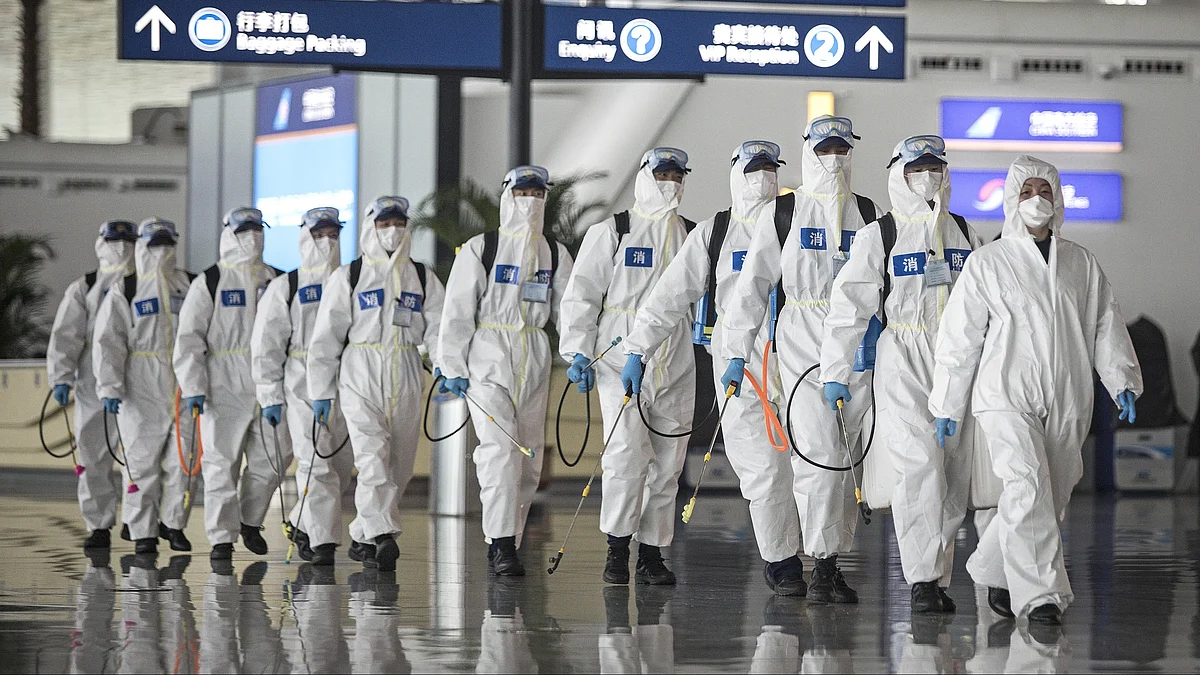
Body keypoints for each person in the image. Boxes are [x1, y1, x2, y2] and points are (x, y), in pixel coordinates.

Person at [929, 155, 1142, 626]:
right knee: (1027, 484)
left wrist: (1121, 379)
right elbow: (960, 336)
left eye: (1044, 191)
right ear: (1011, 200)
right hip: (1005, 392)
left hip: (1069, 394)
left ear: (1059, 199)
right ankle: (1042, 596)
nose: (1036, 200)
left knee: (1052, 491)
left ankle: (996, 571)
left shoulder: (1080, 263)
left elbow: (1105, 323)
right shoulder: (989, 262)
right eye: (1026, 192)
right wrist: (947, 400)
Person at [622, 141, 808, 595]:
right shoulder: (714, 232)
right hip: (738, 363)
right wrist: (637, 348)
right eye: (754, 167)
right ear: (734, 172)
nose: (763, 176)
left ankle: (824, 559)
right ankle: (782, 561)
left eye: (770, 167)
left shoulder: (800, 223)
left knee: (814, 465)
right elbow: (670, 296)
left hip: (801, 353)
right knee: (762, 467)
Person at [820, 135, 984, 613]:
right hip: (903, 357)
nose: (927, 175)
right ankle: (922, 581)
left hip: (956, 361)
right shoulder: (881, 234)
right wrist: (836, 369)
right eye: (917, 167)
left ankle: (936, 576)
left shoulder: (963, 232)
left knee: (952, 473)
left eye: (935, 165)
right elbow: (848, 305)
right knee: (919, 466)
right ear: (898, 173)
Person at [721, 117, 883, 603]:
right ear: (809, 151)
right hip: (801, 341)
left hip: (858, 345)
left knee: (849, 454)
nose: (834, 155)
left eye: (841, 147)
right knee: (818, 453)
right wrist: (735, 352)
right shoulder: (785, 212)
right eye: (824, 146)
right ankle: (820, 564)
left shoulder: (870, 214)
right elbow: (752, 287)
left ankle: (830, 559)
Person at [558, 148, 695, 585]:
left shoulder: (692, 236)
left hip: (675, 357)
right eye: (662, 173)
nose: (670, 180)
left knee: (669, 461)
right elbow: (582, 293)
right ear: (643, 177)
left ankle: (652, 553)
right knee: (624, 455)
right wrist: (578, 351)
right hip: (618, 357)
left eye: (677, 174)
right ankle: (617, 548)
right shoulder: (614, 231)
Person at [438, 166, 575, 576]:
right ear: (508, 195)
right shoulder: (483, 248)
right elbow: (457, 309)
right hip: (488, 360)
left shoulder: (553, 252)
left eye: (537, 191)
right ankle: (500, 545)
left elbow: (570, 308)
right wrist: (452, 364)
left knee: (528, 461)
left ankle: (508, 542)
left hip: (534, 358)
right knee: (499, 451)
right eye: (523, 191)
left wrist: (578, 353)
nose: (531, 198)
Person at [307, 196, 445, 572]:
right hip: (360, 370)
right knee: (371, 456)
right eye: (385, 224)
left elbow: (437, 328)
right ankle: (384, 535)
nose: (393, 230)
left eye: (399, 223)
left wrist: (445, 365)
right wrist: (321, 390)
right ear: (371, 227)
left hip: (405, 368)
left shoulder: (420, 275)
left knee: (399, 463)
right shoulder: (348, 276)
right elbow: (326, 338)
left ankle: (364, 535)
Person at [173, 207, 288, 561]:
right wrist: (193, 386)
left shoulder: (279, 279)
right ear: (228, 233)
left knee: (275, 456)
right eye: (244, 229)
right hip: (223, 379)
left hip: (270, 378)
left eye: (257, 228)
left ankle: (250, 519)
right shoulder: (210, 281)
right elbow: (189, 338)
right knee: (221, 461)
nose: (252, 235)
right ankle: (222, 537)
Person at [252, 207, 354, 567]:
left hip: (346, 382)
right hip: (300, 385)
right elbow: (266, 345)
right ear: (304, 237)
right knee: (316, 461)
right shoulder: (287, 287)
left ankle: (299, 522)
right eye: (319, 234)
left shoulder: (351, 279)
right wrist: (270, 395)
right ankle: (324, 545)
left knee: (341, 465)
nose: (327, 240)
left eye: (333, 233)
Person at [92, 218, 196, 555]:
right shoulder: (127, 288)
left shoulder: (189, 284)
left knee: (185, 460)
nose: (162, 250)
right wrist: (110, 387)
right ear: (142, 247)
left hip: (184, 382)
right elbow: (109, 341)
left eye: (168, 242)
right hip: (141, 385)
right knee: (141, 463)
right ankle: (142, 532)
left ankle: (173, 523)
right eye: (155, 243)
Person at [46, 219, 137, 550]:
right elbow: (66, 336)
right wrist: (61, 377)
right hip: (91, 387)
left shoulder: (146, 285)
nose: (122, 245)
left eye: (128, 239)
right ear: (102, 243)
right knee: (93, 455)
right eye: (116, 239)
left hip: (138, 387)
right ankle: (99, 525)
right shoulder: (84, 288)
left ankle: (137, 521)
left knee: (138, 456)